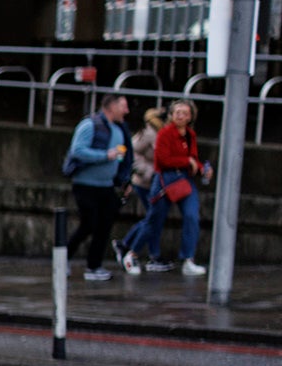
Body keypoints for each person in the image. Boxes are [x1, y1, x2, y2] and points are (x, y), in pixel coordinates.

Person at [127, 98, 211, 277]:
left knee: (191, 216)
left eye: (185, 113)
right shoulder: (165, 133)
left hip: (184, 180)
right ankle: (132, 253)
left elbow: (194, 158)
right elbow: (162, 160)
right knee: (154, 220)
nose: (180, 116)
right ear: (171, 115)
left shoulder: (190, 135)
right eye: (177, 113)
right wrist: (186, 161)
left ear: (190, 117)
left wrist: (202, 169)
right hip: (165, 180)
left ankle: (188, 258)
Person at [61, 91, 132, 282]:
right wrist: (104, 155)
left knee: (104, 226)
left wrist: (124, 179)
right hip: (86, 184)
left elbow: (125, 157)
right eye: (123, 106)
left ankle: (94, 266)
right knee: (88, 224)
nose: (126, 110)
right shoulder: (90, 124)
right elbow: (78, 151)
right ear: (112, 106)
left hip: (106, 186)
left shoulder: (119, 129)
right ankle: (63, 258)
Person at [116, 107, 165, 273]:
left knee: (153, 218)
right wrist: (147, 172)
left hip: (152, 182)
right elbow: (132, 152)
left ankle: (128, 245)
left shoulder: (159, 132)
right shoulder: (150, 133)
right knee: (153, 218)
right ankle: (137, 250)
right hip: (145, 182)